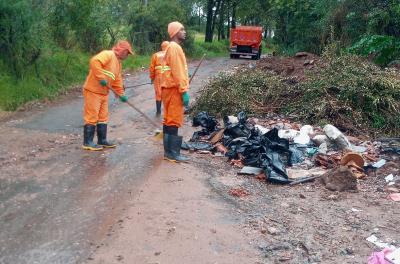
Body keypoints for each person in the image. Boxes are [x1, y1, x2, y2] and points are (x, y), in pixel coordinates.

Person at [82, 40, 133, 151]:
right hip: (93, 91)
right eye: (127, 52)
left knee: (103, 117)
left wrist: (121, 94)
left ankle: (102, 140)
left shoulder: (118, 64)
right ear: (122, 50)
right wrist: (101, 78)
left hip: (104, 93)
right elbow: (94, 61)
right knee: (92, 116)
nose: (127, 55)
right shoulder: (108, 54)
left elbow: (117, 81)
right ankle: (87, 142)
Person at [161, 21, 190, 162]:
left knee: (168, 120)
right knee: (173, 120)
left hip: (168, 88)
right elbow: (178, 71)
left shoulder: (170, 47)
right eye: (182, 29)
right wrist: (184, 91)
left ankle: (168, 152)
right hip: (174, 90)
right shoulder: (174, 47)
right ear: (175, 32)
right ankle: (173, 153)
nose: (184, 32)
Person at [149, 41, 170, 116]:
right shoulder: (171, 54)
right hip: (168, 76)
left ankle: (158, 112)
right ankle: (168, 112)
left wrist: (152, 78)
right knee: (168, 93)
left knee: (158, 93)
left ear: (162, 47)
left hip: (158, 76)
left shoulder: (156, 55)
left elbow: (152, 68)